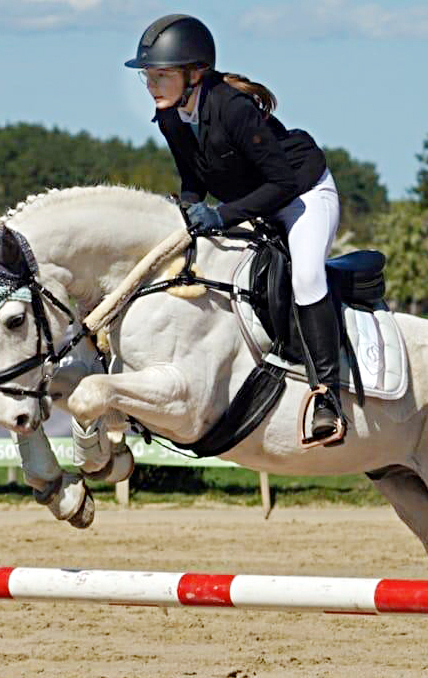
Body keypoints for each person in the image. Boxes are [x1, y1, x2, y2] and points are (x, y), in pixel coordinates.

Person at [124, 14, 345, 444]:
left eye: (161, 75)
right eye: (147, 75)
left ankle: (327, 396)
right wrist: (186, 212)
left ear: (195, 73)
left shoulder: (232, 109)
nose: (151, 84)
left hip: (302, 196)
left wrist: (222, 217)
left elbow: (281, 184)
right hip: (251, 203)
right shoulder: (170, 117)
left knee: (305, 276)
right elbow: (193, 178)